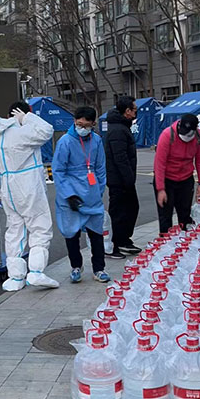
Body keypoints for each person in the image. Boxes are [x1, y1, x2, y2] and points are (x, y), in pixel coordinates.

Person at [0, 100, 59, 291]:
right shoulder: (24, 132)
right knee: (39, 227)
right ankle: (36, 272)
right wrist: (27, 118)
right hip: (28, 185)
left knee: (15, 231)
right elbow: (47, 130)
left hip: (7, 188)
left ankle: (16, 276)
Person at [52, 105, 110, 284]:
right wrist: (68, 195)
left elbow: (100, 168)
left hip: (91, 192)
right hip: (71, 192)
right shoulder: (65, 141)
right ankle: (76, 266)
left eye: (86, 125)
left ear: (93, 124)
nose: (82, 128)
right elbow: (58, 171)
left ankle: (99, 269)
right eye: (79, 124)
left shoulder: (97, 141)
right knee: (71, 233)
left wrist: (99, 190)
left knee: (96, 232)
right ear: (74, 122)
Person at [153, 113, 200, 234]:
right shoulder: (167, 135)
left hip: (186, 179)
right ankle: (166, 242)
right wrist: (160, 189)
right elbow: (159, 164)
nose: (186, 137)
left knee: (185, 215)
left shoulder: (199, 137)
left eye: (189, 134)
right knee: (165, 216)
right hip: (167, 179)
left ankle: (186, 242)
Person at [105, 96, 141, 259]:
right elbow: (120, 158)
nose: (136, 113)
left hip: (123, 178)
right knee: (120, 211)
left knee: (130, 209)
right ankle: (117, 242)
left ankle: (124, 240)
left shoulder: (121, 126)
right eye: (134, 110)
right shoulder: (118, 130)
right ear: (127, 111)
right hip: (119, 180)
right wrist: (128, 179)